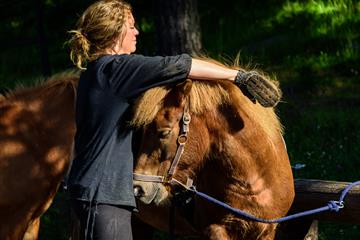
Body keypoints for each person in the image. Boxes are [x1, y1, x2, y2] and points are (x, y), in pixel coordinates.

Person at [66, 0, 280, 239]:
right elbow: (181, 65)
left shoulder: (96, 72)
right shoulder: (117, 69)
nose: (137, 32)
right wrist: (238, 76)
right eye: (131, 26)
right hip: (103, 196)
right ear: (115, 33)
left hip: (93, 193)